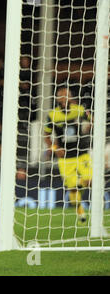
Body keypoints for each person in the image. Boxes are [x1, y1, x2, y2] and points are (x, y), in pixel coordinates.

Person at [44, 86, 92, 224]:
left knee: (89, 180)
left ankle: (79, 186)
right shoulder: (53, 115)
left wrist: (91, 123)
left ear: (71, 97)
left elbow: (91, 119)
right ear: (57, 98)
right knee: (72, 189)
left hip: (81, 153)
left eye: (66, 95)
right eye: (61, 96)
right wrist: (54, 148)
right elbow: (46, 135)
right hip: (65, 157)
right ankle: (81, 213)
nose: (64, 98)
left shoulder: (79, 110)